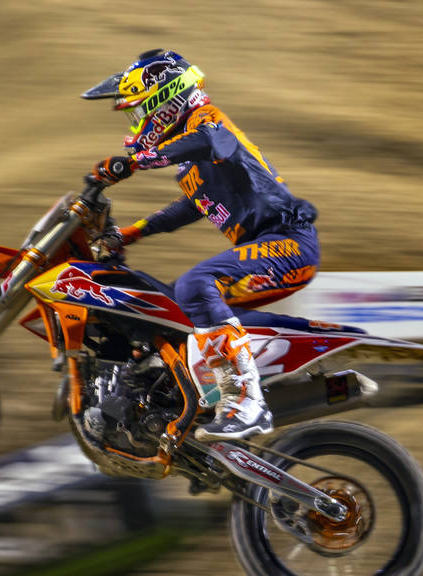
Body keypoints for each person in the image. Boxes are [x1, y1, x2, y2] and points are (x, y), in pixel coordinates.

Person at [82, 49, 320, 442]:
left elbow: (213, 141)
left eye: (139, 111)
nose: (138, 122)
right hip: (266, 248)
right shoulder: (192, 159)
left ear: (165, 101)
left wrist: (140, 160)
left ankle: (246, 402)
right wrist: (132, 232)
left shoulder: (209, 123)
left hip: (288, 245)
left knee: (196, 284)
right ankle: (184, 403)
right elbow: (194, 205)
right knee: (169, 307)